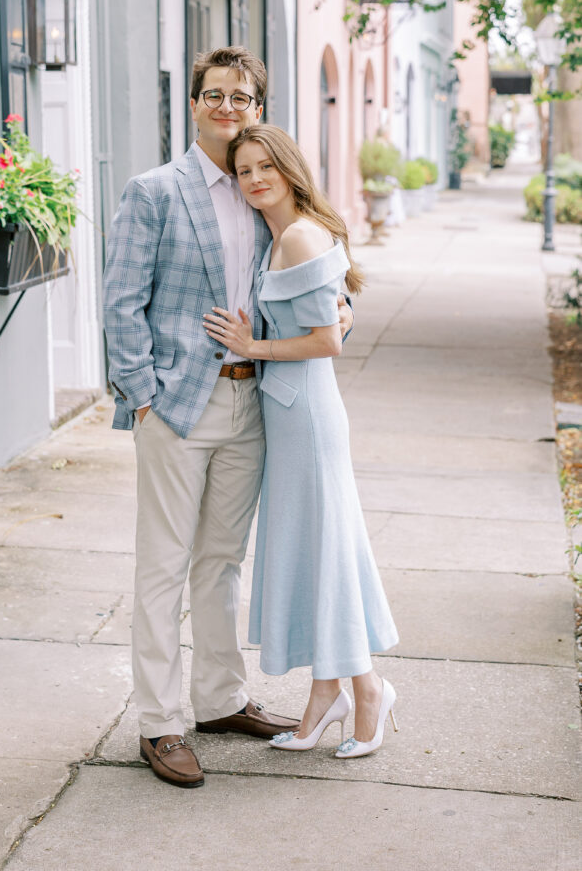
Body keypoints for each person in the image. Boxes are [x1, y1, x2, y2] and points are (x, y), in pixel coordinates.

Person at [103, 47, 354, 789]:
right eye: (213, 94)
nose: (225, 106)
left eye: (240, 96)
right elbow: (121, 303)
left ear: (257, 107)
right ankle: (160, 722)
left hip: (254, 401)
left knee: (221, 564)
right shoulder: (154, 191)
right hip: (176, 407)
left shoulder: (262, 187)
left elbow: (315, 274)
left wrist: (341, 315)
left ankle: (218, 699)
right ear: (192, 103)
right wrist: (141, 394)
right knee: (163, 567)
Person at [202, 124, 399, 758]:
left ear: (288, 167)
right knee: (320, 553)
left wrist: (250, 347)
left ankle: (365, 691)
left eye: (265, 166)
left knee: (329, 552)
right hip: (288, 415)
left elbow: (328, 339)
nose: (254, 179)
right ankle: (328, 692)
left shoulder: (301, 235)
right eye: (243, 171)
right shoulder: (281, 235)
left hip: (307, 415)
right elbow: (336, 308)